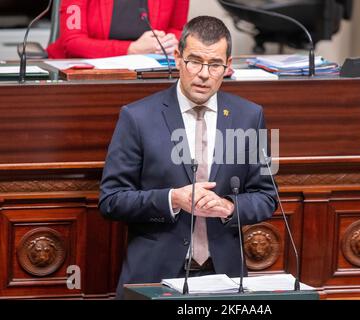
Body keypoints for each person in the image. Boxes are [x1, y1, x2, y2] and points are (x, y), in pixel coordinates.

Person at [99, 15, 277, 299]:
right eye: (195, 61)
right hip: (154, 276)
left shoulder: (249, 116)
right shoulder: (138, 117)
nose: (204, 74)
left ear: (227, 66)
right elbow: (111, 200)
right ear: (178, 58)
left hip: (224, 278)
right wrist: (173, 199)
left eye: (215, 64)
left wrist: (228, 206)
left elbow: (267, 197)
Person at [47, 0, 189, 58]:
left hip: (149, 74)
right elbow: (73, 42)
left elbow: (177, 29)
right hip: (82, 77)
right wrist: (131, 49)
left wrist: (171, 42)